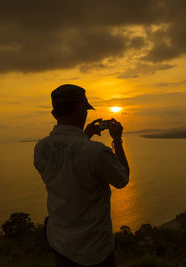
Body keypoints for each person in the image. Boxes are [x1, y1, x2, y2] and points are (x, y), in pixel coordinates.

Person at [34, 84, 130, 266]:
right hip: (93, 251)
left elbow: (67, 164)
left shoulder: (40, 149)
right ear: (81, 110)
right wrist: (117, 139)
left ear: (54, 114)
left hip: (59, 243)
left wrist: (85, 136)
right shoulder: (96, 152)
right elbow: (122, 178)